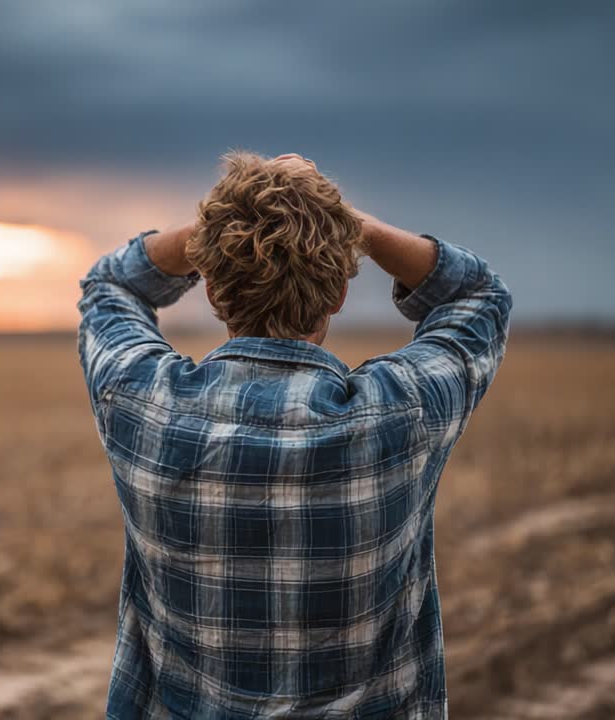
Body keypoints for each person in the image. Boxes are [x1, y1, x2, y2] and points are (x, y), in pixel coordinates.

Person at [77, 152, 512, 719]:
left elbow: (111, 283)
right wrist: (358, 227)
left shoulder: (142, 403)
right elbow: (478, 296)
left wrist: (219, 227)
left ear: (211, 292)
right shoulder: (401, 413)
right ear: (337, 297)